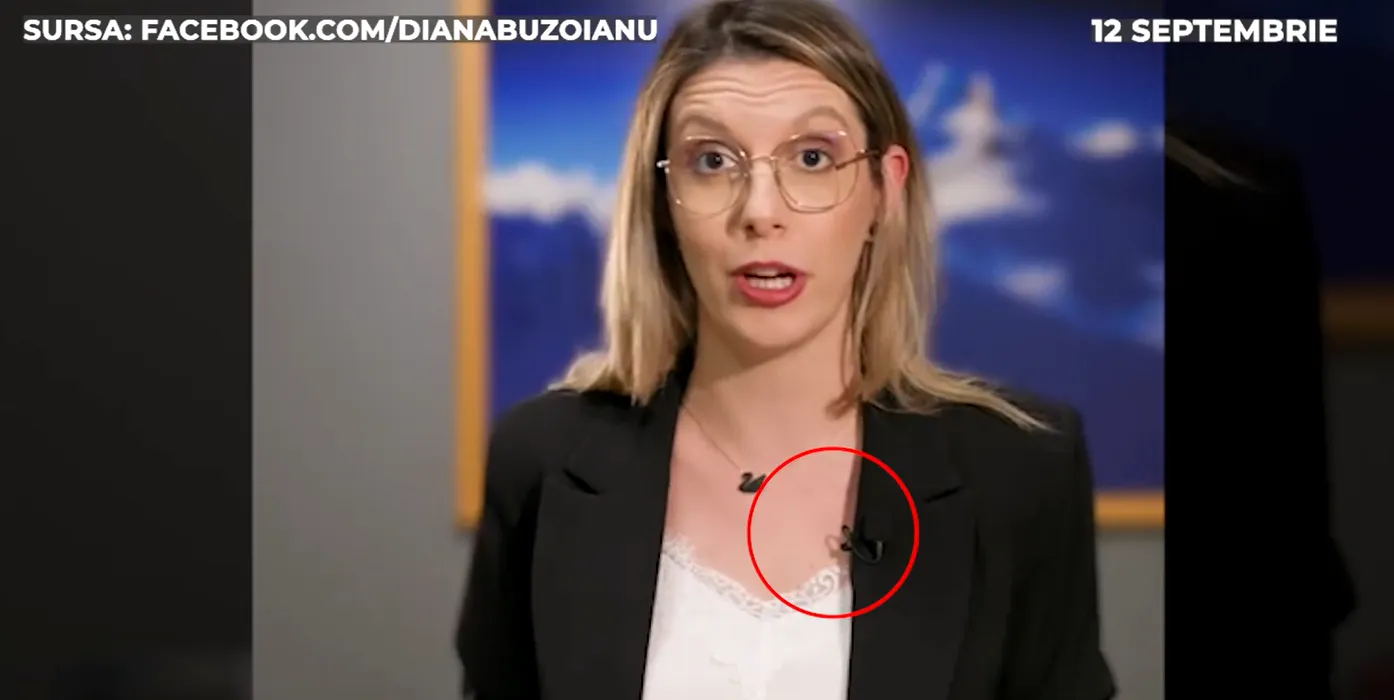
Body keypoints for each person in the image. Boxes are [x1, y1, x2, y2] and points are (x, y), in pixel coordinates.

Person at [455, 0, 1116, 698]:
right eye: (712, 161)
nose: (760, 212)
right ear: (661, 200)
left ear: (884, 190)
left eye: (812, 158)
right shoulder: (542, 462)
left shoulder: (1021, 471)